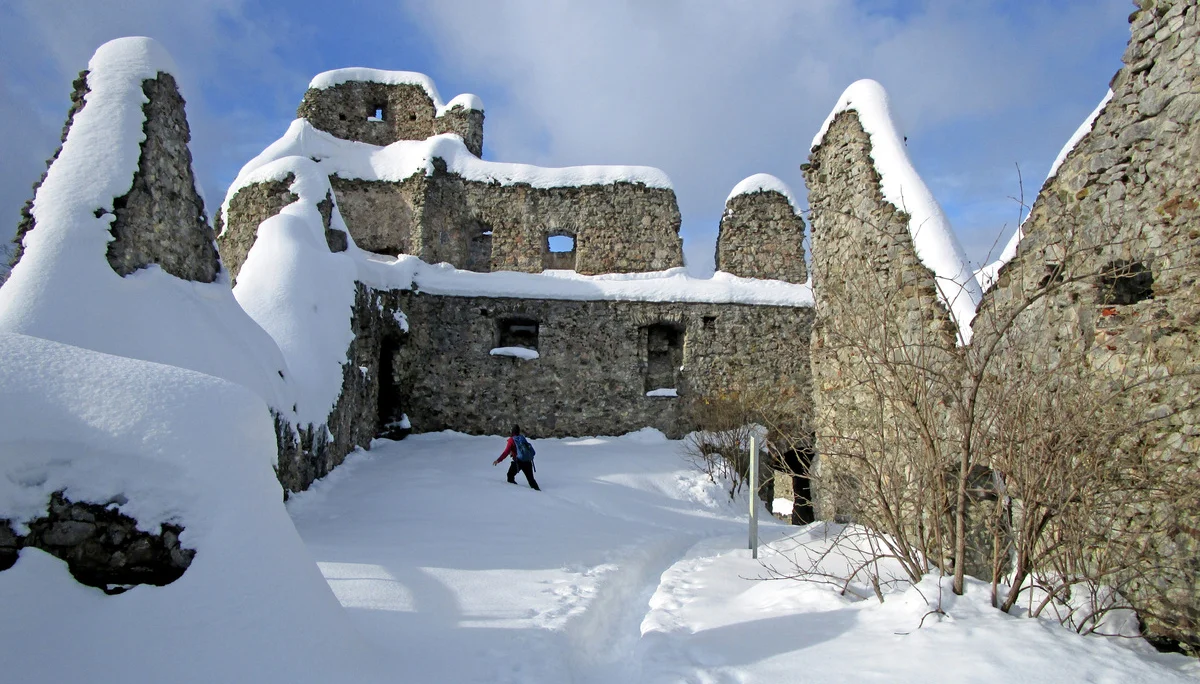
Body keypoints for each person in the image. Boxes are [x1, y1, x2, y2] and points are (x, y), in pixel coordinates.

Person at [493, 424, 540, 490]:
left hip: (518, 462)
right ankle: (539, 493)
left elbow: (506, 452)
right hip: (528, 461)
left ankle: (516, 492)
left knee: (510, 476)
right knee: (531, 480)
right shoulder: (522, 438)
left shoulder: (511, 440)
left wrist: (498, 460)